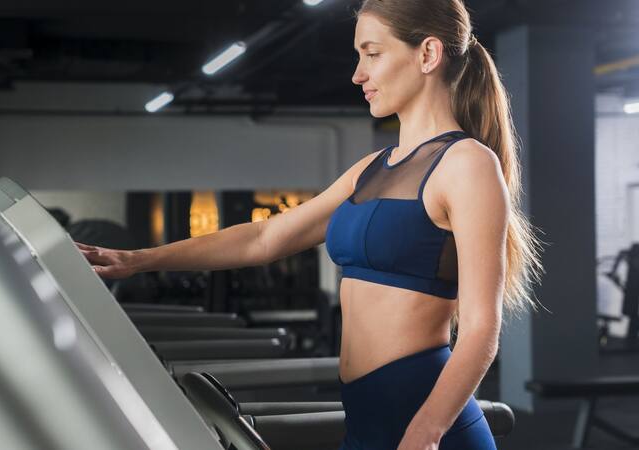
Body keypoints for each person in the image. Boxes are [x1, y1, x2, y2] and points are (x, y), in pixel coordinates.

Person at [77, 0, 544, 448]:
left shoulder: (466, 165)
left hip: (424, 424)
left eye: (372, 54)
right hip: (366, 420)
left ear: (427, 54)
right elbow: (264, 237)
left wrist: (425, 434)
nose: (358, 74)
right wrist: (138, 259)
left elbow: (482, 329)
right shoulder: (370, 169)